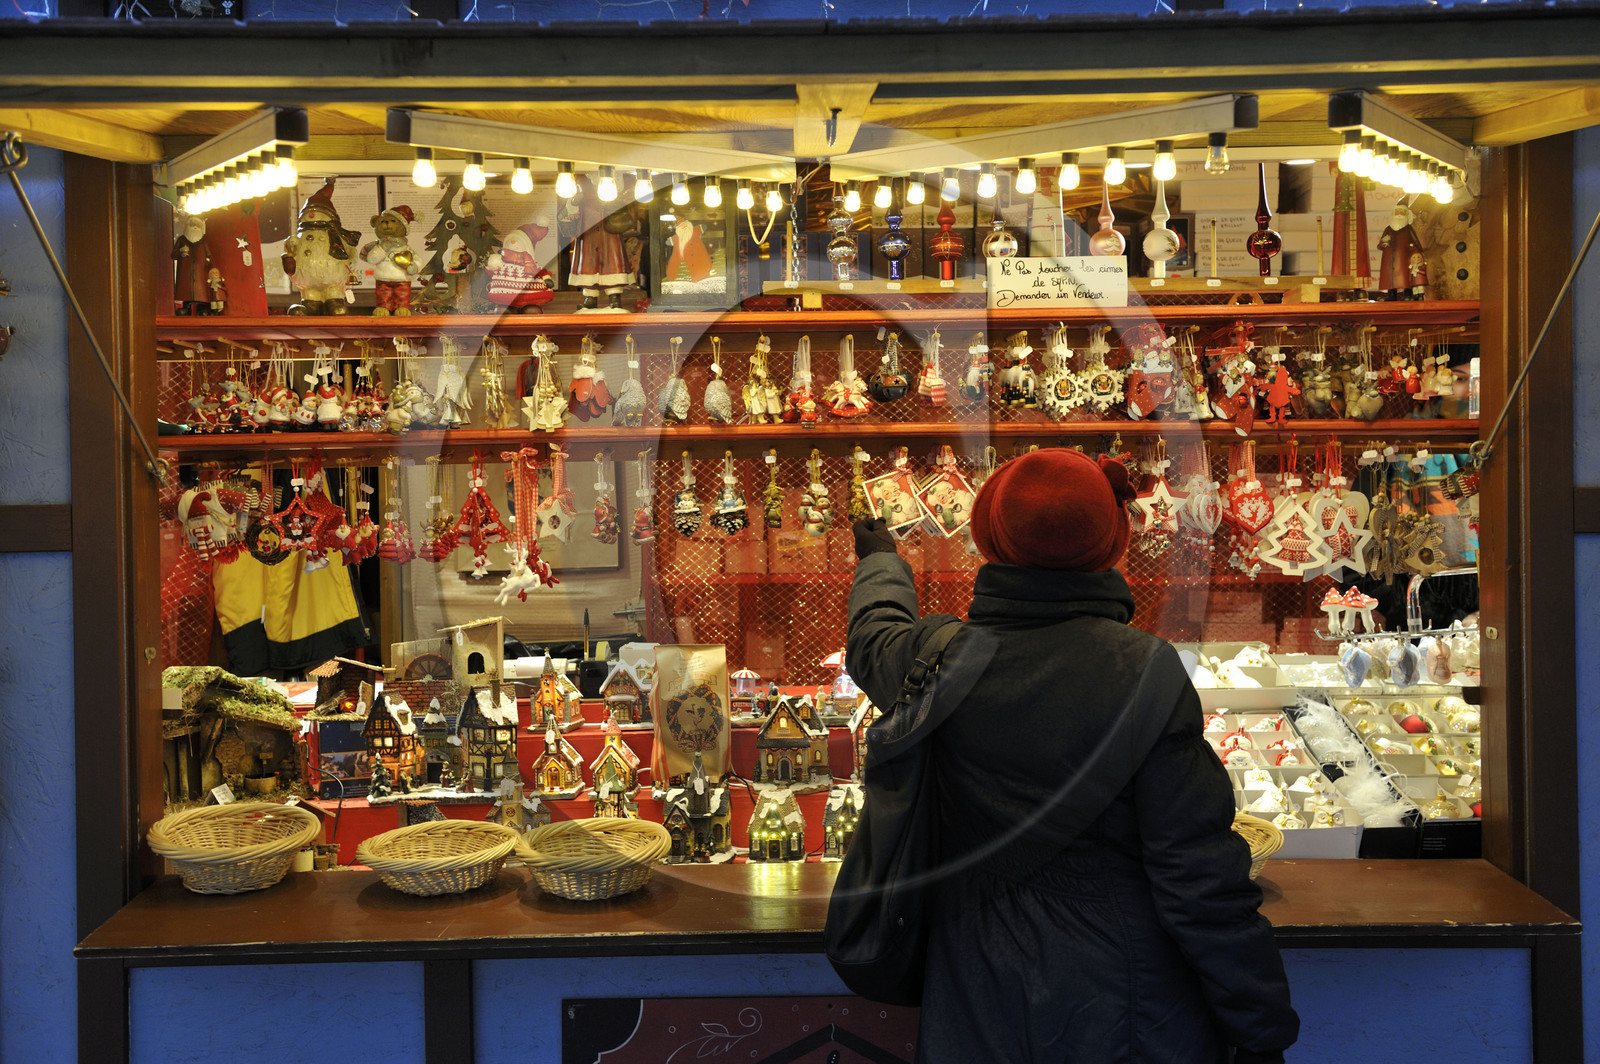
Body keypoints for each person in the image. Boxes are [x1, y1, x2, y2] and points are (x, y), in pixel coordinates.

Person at [846, 448, 1298, 1064]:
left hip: (972, 991)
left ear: (989, 541)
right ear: (1112, 545)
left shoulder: (936, 656)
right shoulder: (1144, 672)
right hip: (1126, 1005)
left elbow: (874, 638)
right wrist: (1262, 1026)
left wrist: (881, 564)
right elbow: (1200, 882)